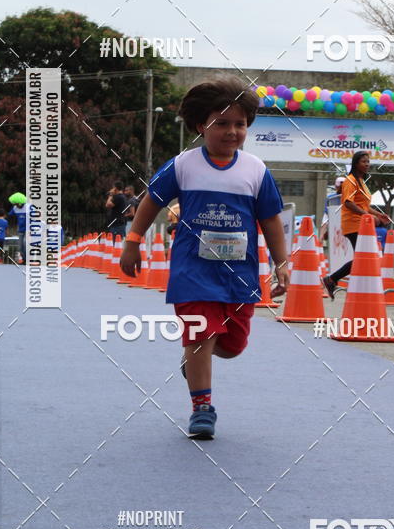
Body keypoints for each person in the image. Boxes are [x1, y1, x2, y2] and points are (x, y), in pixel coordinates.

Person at [120, 77, 289, 440]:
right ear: (201, 126)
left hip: (238, 275)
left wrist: (282, 263)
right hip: (192, 272)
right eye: (222, 123)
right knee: (201, 333)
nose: (232, 132)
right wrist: (132, 242)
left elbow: (271, 220)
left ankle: (193, 361)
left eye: (240, 124)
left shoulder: (255, 171)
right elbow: (151, 201)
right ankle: (202, 408)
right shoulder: (183, 165)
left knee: (231, 345)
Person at [322, 151, 389, 299]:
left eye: (368, 161)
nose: (367, 164)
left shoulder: (361, 182)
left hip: (362, 226)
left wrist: (378, 214)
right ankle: (332, 279)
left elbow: (364, 205)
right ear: (356, 163)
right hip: (353, 225)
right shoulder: (350, 181)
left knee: (363, 258)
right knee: (362, 258)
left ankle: (334, 280)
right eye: (364, 161)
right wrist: (367, 215)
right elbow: (348, 202)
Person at [319, 176, 345, 244]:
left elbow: (325, 218)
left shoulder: (330, 198)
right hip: (337, 229)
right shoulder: (330, 198)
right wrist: (322, 234)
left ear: (335, 186)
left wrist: (322, 234)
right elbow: (326, 217)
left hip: (342, 229)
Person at [8, 199, 28, 264]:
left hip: (27, 229)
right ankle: (23, 259)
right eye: (15, 204)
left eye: (17, 204)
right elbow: (10, 214)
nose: (17, 205)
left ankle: (27, 258)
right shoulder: (15, 208)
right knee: (20, 245)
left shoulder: (27, 207)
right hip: (20, 229)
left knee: (25, 243)